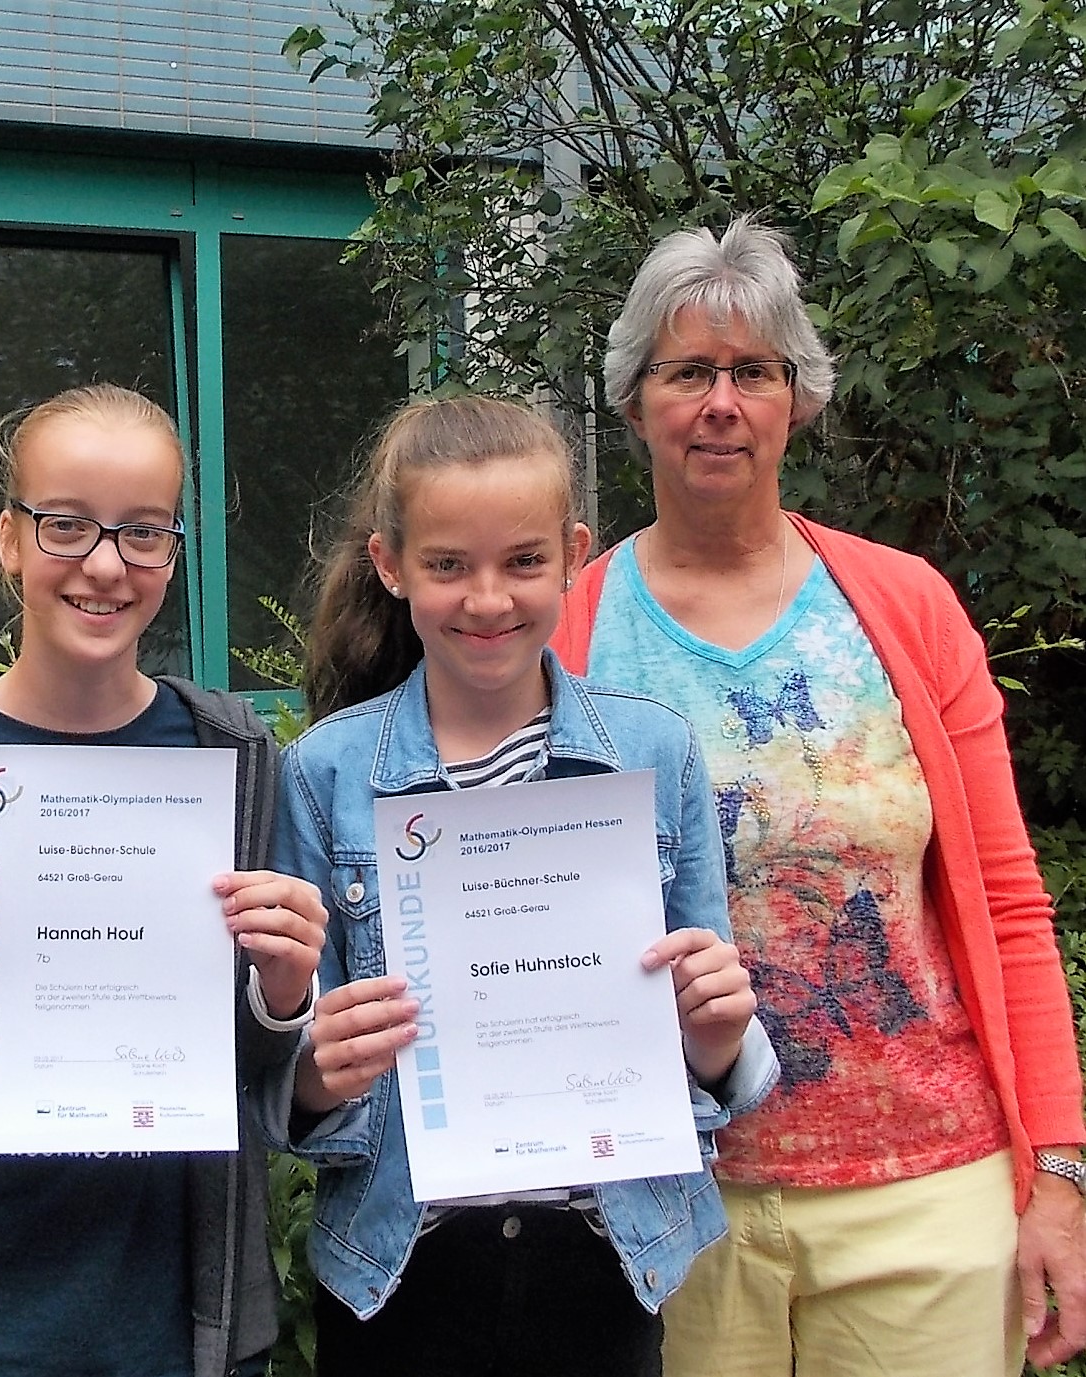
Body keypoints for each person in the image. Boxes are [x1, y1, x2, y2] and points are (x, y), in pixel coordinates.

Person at [550, 215, 1086, 1375]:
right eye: (687, 371)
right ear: (635, 397)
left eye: (754, 371)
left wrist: (1060, 1171)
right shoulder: (570, 632)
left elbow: (1006, 898)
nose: (721, 402)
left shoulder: (906, 607)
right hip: (677, 1206)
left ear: (800, 398)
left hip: (928, 1200)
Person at [0, 382, 328, 1377]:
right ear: (9, 541)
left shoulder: (235, 757)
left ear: (173, 554)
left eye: (142, 533)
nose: (103, 564)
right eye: (66, 525)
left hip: (175, 1328)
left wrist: (283, 991)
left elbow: (247, 1071)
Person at [269, 394, 778, 1376]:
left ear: (574, 555)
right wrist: (313, 1072)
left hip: (602, 1259)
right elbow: (296, 1067)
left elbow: (709, 1031)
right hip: (400, 1269)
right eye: (448, 566)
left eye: (523, 562)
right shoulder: (328, 773)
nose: (488, 599)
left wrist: (716, 1041)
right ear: (391, 565)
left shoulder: (654, 752)